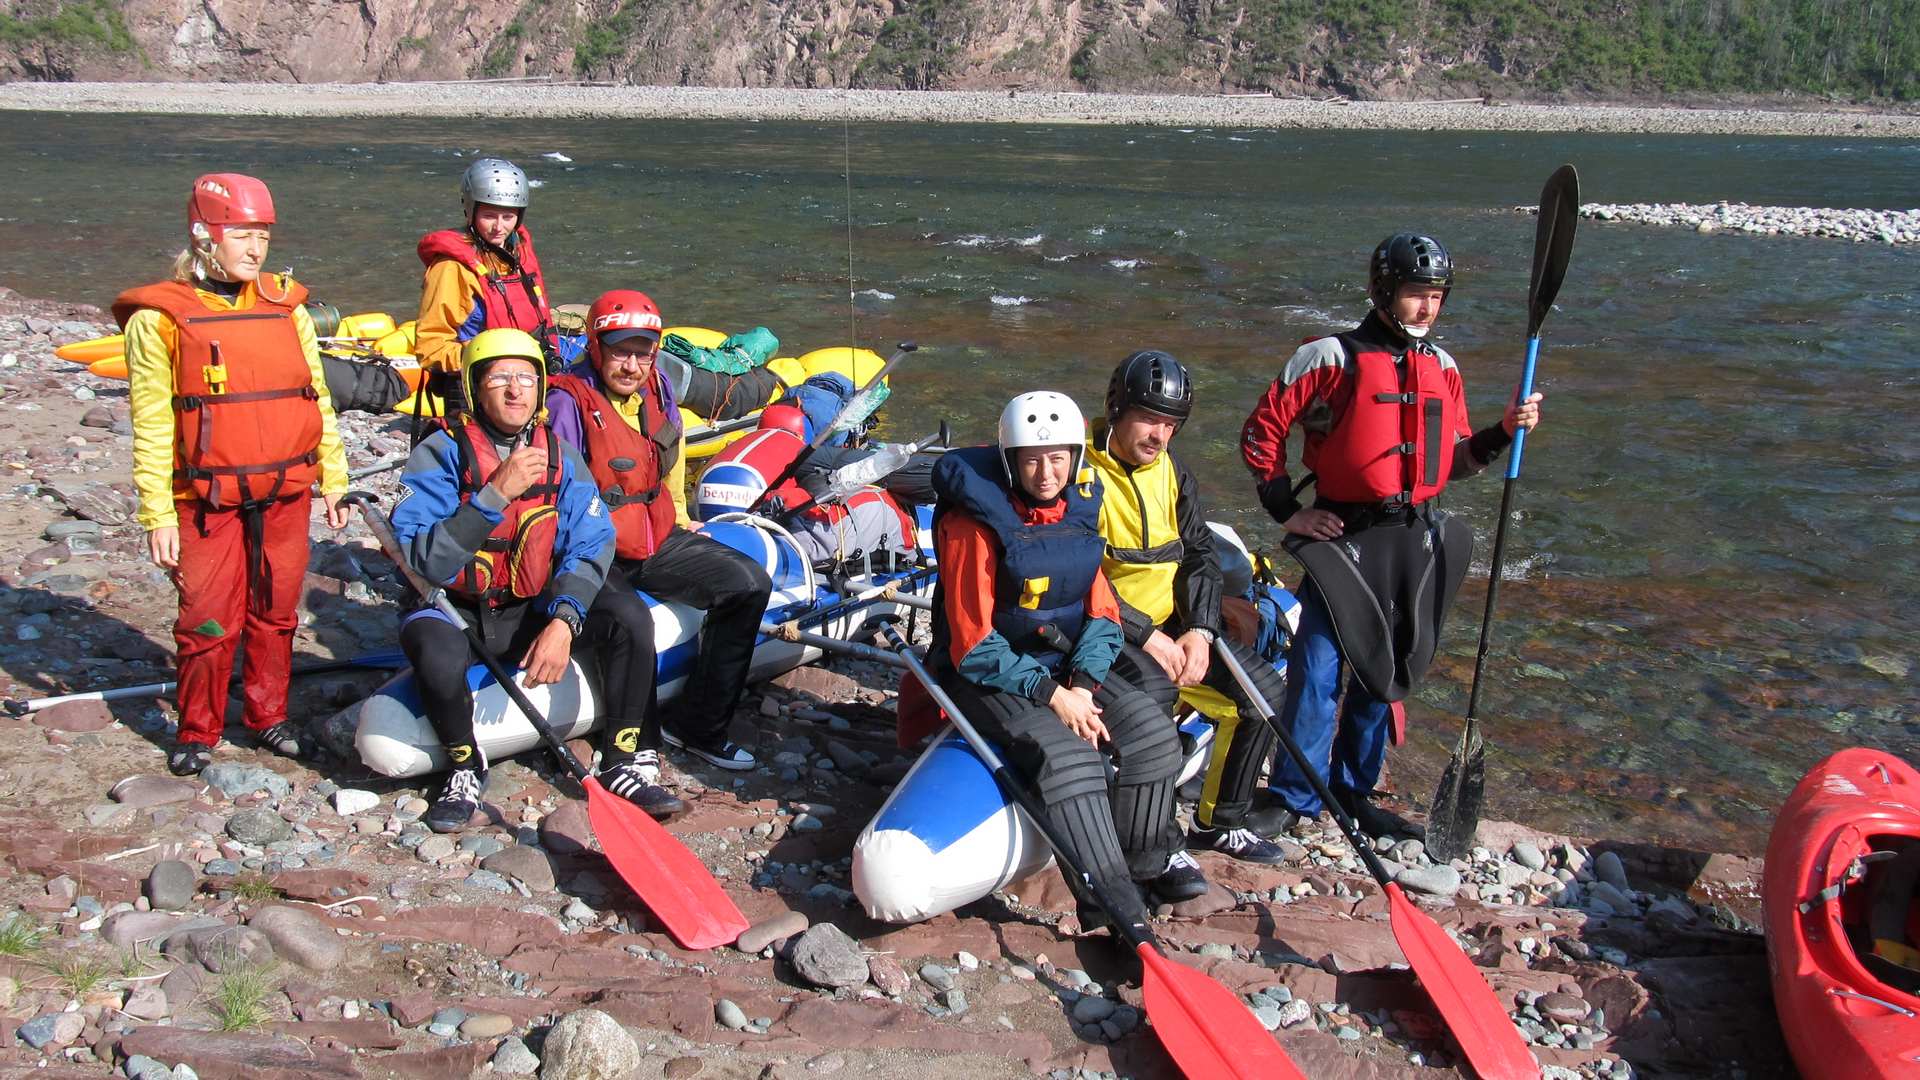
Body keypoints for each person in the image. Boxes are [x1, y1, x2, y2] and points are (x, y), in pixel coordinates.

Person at [1240, 232, 1542, 838]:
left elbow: (1455, 460)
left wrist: (1505, 431)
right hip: (1342, 537)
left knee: (1383, 674)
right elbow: (1261, 433)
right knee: (1317, 669)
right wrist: (1286, 511)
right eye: (1415, 294)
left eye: (1437, 296)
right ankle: (1295, 795)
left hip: (1410, 540)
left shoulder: (1443, 368)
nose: (1427, 307)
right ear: (1383, 292)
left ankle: (1354, 792)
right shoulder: (1329, 357)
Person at [931, 391, 1207, 930]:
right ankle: (1113, 908)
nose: (1046, 473)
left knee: (1154, 737)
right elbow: (972, 644)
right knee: (1072, 763)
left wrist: (1082, 683)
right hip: (988, 673)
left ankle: (1145, 864)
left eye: (1058, 458)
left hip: (1060, 662)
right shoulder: (972, 524)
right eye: (1032, 460)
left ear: (1075, 458)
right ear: (1010, 460)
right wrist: (1055, 696)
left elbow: (1102, 612)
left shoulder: (1078, 507)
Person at [389, 328, 683, 831]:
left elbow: (592, 541)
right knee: (433, 653)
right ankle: (464, 766)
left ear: (540, 387)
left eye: (526, 379)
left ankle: (623, 758)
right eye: (499, 378)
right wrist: (493, 497)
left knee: (629, 615)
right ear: (475, 387)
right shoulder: (439, 454)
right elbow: (425, 561)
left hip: (531, 603)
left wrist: (565, 620)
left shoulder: (559, 455)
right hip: (458, 607)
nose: (515, 391)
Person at [115, 173, 350, 777]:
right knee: (207, 618)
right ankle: (198, 728)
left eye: (263, 236)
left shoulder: (288, 308)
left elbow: (316, 397)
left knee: (277, 609)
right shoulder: (158, 320)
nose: (256, 249)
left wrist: (334, 476)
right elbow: (151, 421)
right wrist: (157, 514)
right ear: (204, 235)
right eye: (242, 234)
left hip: (285, 490)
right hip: (205, 497)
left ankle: (269, 715)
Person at [545, 290, 773, 771]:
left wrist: (683, 519)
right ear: (595, 347)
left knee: (749, 584)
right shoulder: (568, 402)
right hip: (593, 548)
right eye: (619, 352)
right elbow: (556, 494)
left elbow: (671, 454)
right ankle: (632, 747)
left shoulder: (658, 387)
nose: (631, 366)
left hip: (653, 534)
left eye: (642, 353)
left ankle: (699, 726)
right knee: (633, 622)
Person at [1087, 351, 1294, 864]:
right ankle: (1156, 841)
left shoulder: (1172, 472)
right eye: (1149, 419)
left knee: (1262, 695)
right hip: (1108, 631)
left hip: (1174, 625)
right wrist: (1146, 635)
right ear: (1117, 409)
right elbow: (1078, 575)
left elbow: (1200, 553)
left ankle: (1219, 822)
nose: (1160, 435)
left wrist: (1200, 629)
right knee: (1154, 703)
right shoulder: (1081, 475)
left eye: (1171, 424)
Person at [415, 158, 559, 409]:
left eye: (508, 216)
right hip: (478, 385)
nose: (499, 227)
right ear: (471, 211)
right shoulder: (451, 268)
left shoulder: (519, 254)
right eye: (489, 216)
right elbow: (431, 347)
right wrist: (482, 357)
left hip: (526, 376)